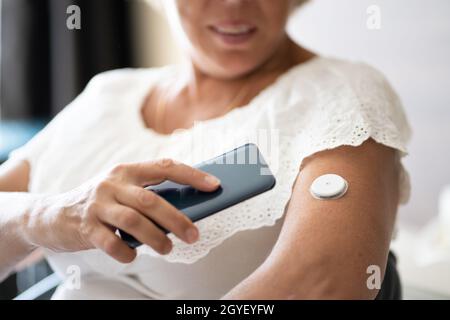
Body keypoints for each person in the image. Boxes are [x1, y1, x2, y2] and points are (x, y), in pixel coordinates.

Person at [0, 0, 411, 299]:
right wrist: (45, 216)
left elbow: (323, 283)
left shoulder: (343, 94)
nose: (235, 4)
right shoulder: (107, 94)